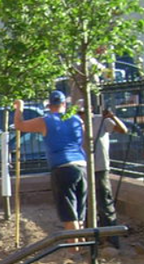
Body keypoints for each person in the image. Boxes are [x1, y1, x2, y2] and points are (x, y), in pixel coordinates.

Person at [14, 91, 87, 245]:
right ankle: (83, 245)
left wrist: (19, 107)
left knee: (68, 213)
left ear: (49, 105)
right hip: (81, 165)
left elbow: (19, 125)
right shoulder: (77, 120)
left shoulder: (46, 121)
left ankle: (74, 252)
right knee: (80, 211)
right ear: (64, 104)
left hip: (62, 167)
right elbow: (82, 140)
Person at [86, 107, 127, 249]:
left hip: (100, 167)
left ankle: (112, 240)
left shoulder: (100, 120)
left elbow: (123, 130)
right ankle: (92, 239)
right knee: (87, 206)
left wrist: (113, 117)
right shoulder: (74, 122)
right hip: (83, 169)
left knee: (105, 203)